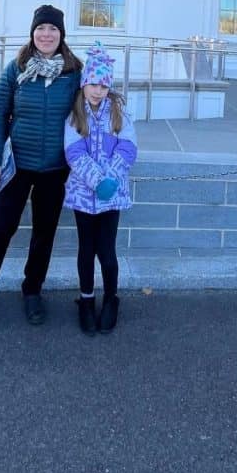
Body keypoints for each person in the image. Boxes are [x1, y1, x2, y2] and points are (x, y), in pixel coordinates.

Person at [0, 4, 82, 328]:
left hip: (56, 168)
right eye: (41, 28)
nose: (46, 34)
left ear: (61, 35)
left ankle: (32, 291)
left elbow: (92, 106)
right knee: (0, 230)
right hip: (18, 164)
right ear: (32, 33)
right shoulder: (16, 69)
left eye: (53, 29)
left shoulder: (74, 72)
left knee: (44, 233)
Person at [64, 43, 137, 335]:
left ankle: (110, 298)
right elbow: (74, 151)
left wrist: (111, 176)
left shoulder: (119, 112)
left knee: (107, 250)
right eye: (93, 84)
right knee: (86, 250)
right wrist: (96, 180)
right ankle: (86, 299)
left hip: (112, 197)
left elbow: (128, 147)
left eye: (104, 85)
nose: (98, 90)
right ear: (84, 84)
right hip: (84, 195)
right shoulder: (75, 114)